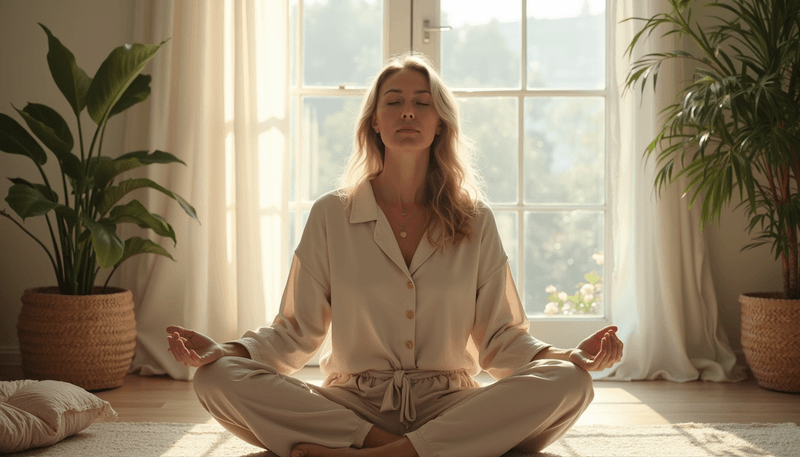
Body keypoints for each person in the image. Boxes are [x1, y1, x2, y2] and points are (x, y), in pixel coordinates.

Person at [166, 53, 623, 457]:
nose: (408, 111)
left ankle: (381, 454)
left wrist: (569, 355)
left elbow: (501, 339)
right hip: (352, 406)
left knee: (571, 382)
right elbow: (294, 331)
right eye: (394, 101)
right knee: (215, 378)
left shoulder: (475, 219)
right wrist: (227, 351)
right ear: (374, 122)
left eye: (423, 102)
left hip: (450, 405)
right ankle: (408, 449)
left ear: (440, 122)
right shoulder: (331, 214)